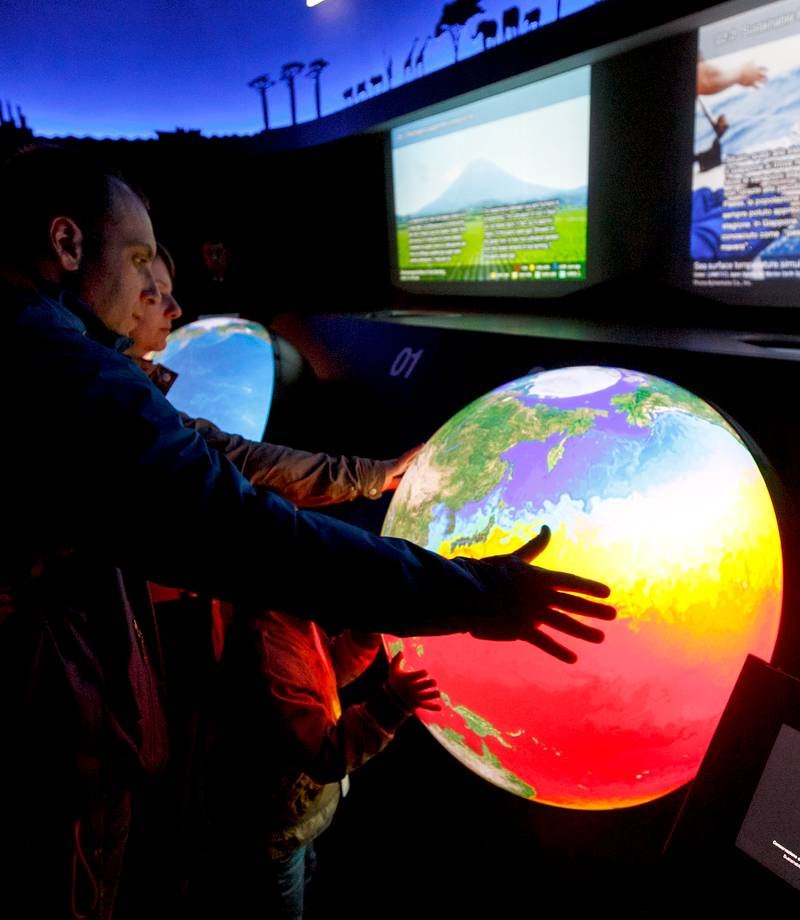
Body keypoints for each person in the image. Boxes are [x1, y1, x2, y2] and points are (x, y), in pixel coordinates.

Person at [0, 145, 614, 919]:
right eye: (139, 259)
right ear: (65, 244)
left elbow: (220, 457)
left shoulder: (57, 357)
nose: (158, 293)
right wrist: (476, 593)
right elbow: (241, 531)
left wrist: (371, 475)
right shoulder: (56, 370)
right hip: (50, 767)